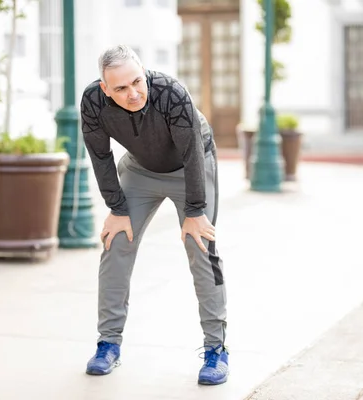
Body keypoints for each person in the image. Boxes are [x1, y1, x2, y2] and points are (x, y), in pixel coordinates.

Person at [81, 44, 228, 385]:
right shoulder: (93, 103)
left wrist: (194, 211)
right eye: (120, 88)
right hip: (140, 170)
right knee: (116, 241)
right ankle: (108, 344)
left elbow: (192, 152)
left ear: (144, 72)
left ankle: (216, 349)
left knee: (201, 247)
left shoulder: (170, 93)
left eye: (137, 82)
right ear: (105, 89)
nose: (133, 93)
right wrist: (116, 209)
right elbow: (100, 156)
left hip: (189, 166)